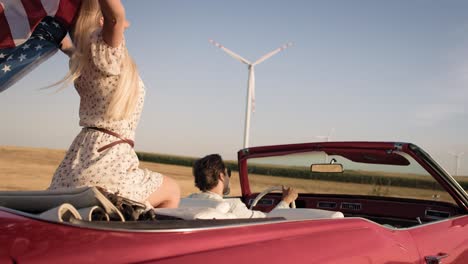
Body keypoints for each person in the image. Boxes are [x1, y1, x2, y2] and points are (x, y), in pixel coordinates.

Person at [48, 0, 180, 208]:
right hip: (107, 163)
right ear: (102, 21)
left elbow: (69, 45)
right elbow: (116, 17)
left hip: (73, 165)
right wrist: (116, 20)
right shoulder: (106, 54)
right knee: (172, 189)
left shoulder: (81, 58)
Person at [188, 154, 298, 218]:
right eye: (228, 173)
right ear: (221, 176)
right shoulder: (233, 206)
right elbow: (269, 220)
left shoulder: (189, 201)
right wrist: (286, 201)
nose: (228, 177)